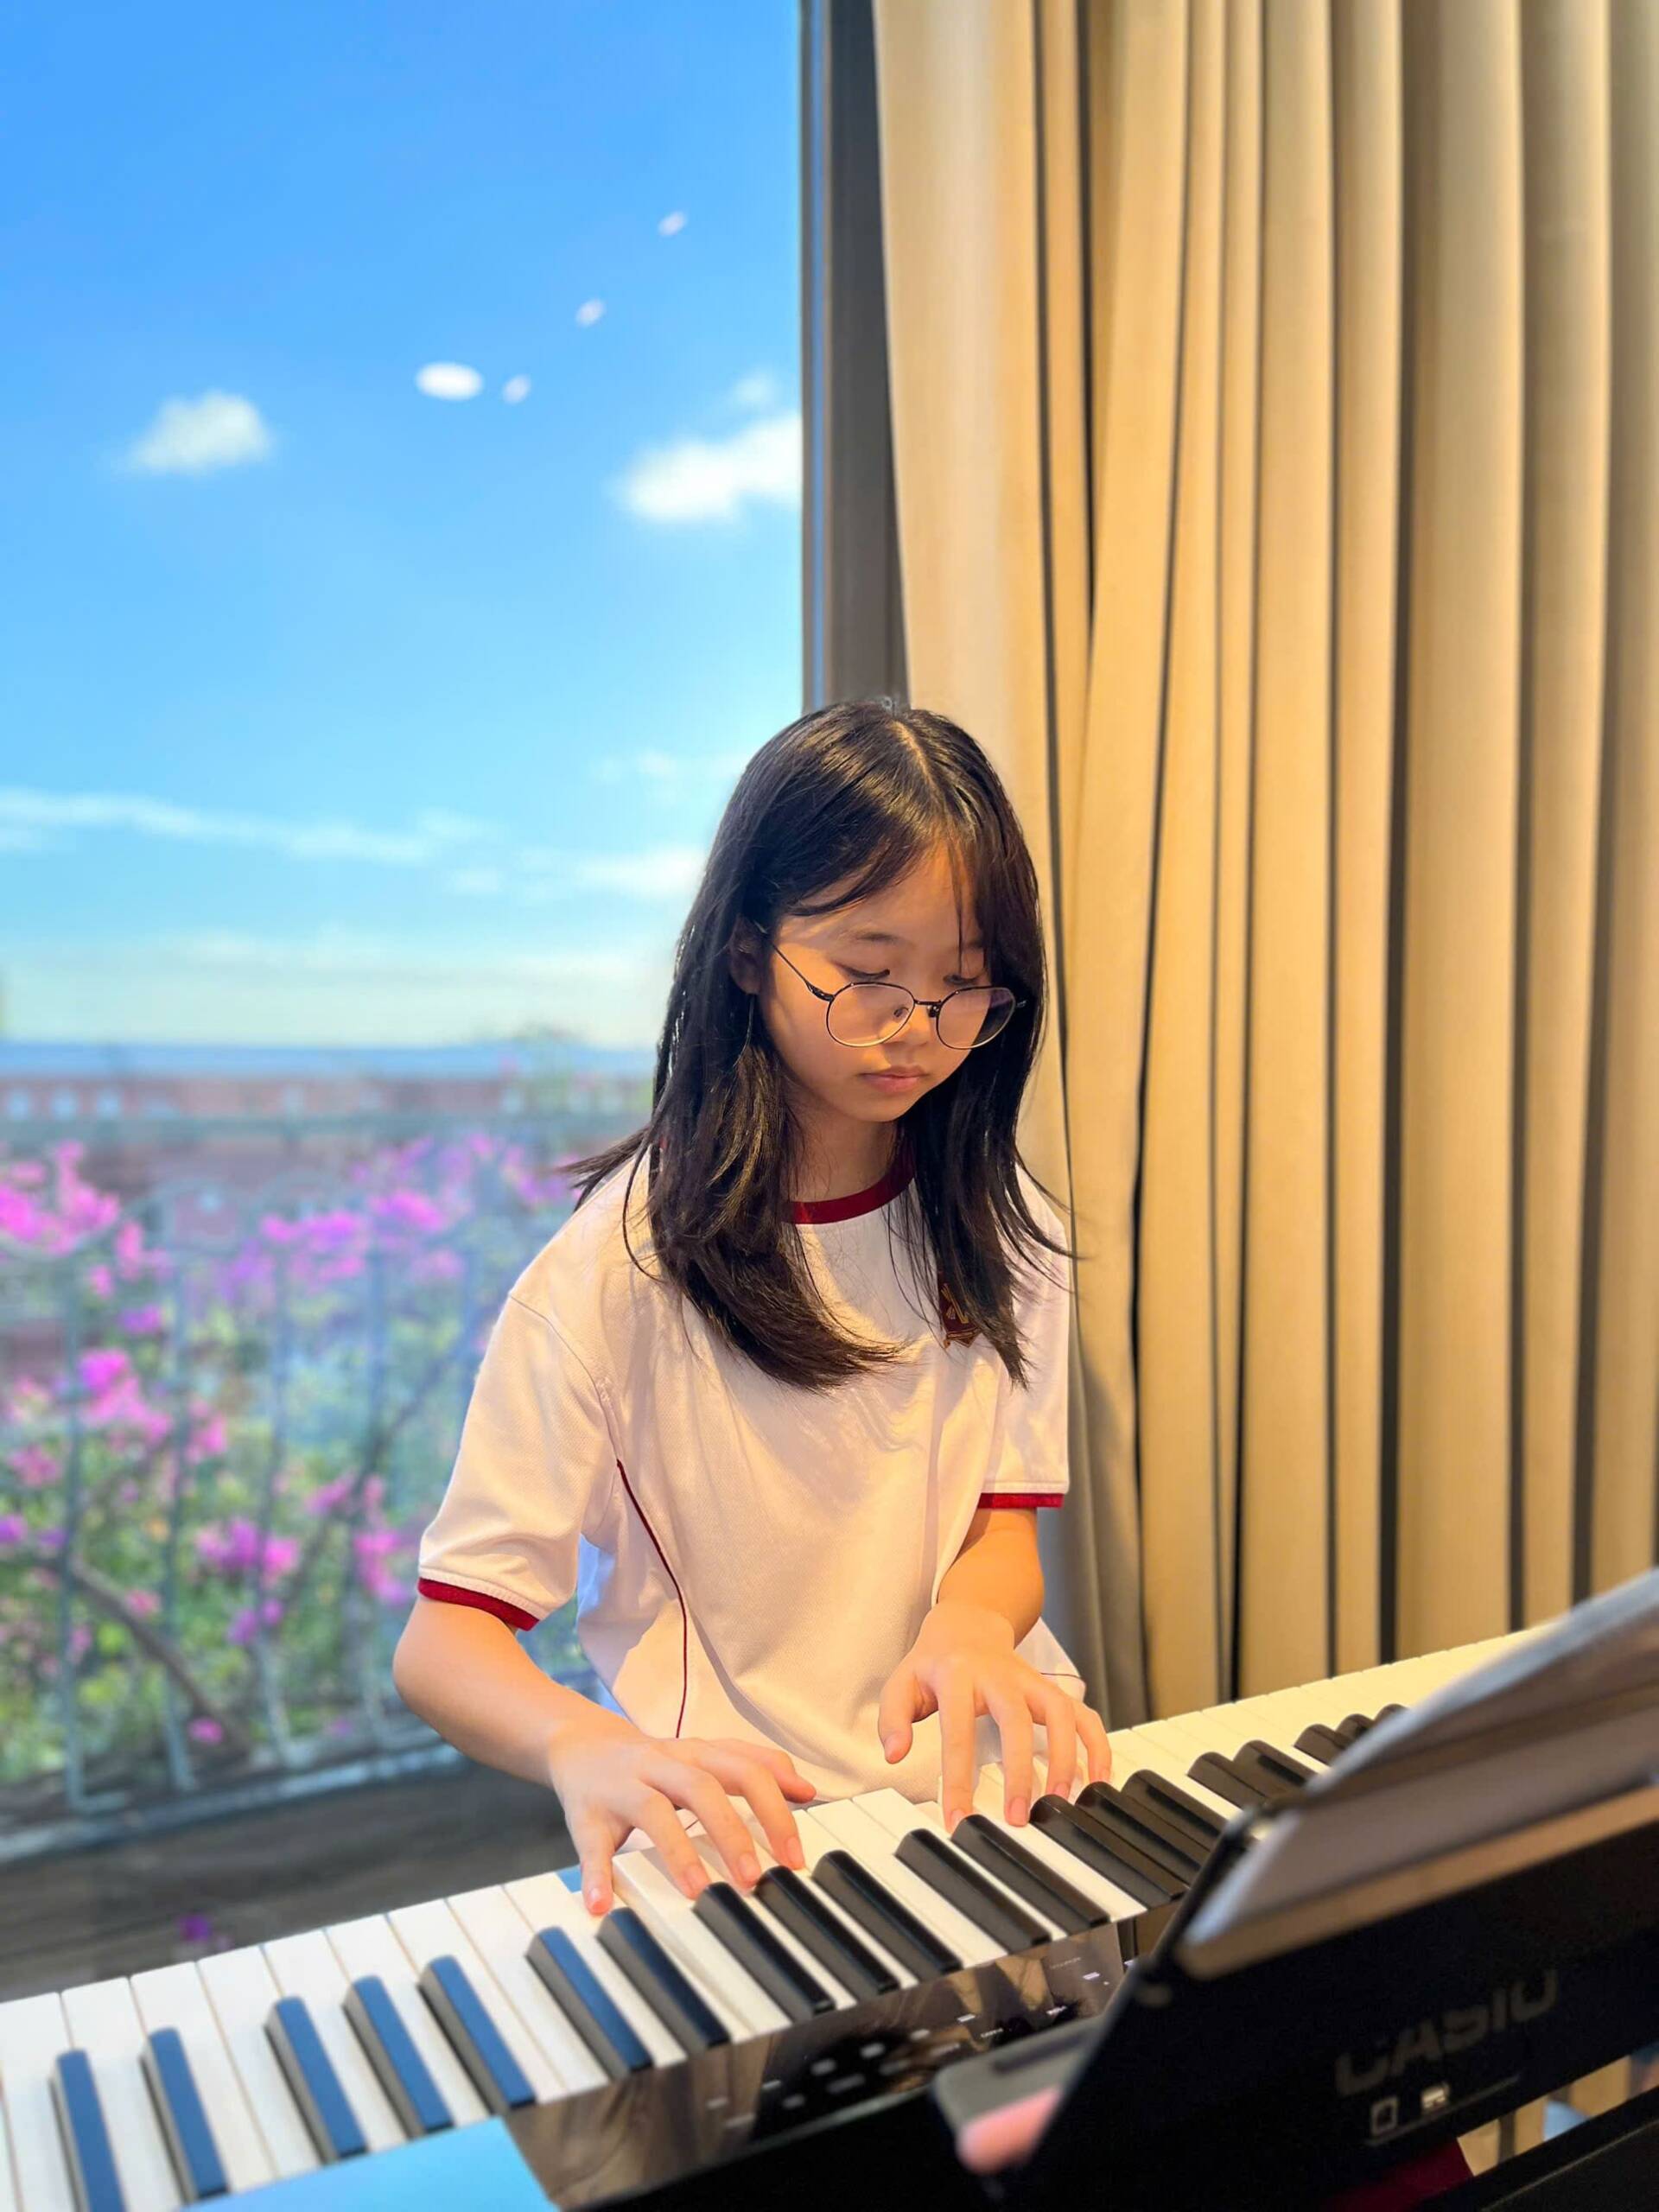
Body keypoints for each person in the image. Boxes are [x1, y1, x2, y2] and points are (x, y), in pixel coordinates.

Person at [392, 698, 1111, 1918]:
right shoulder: (617, 1272)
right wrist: (583, 1745)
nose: (919, 1029)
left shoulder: (999, 1222)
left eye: (963, 987)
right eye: (867, 974)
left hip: (996, 1789)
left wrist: (973, 1629)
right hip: (757, 1832)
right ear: (744, 950)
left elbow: (1000, 1528)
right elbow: (444, 1640)